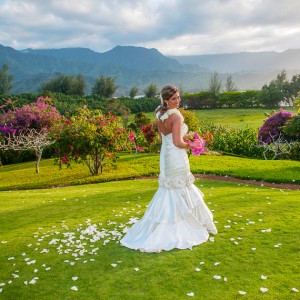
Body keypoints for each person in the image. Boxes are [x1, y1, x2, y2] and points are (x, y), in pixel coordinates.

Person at [120, 85, 217, 252]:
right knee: (180, 187)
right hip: (177, 157)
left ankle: (164, 222)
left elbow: (163, 138)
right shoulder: (177, 117)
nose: (178, 101)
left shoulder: (161, 116)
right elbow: (178, 143)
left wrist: (184, 140)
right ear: (166, 100)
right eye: (174, 99)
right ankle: (183, 226)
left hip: (166, 157)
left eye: (178, 97)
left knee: (170, 188)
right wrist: (192, 145)